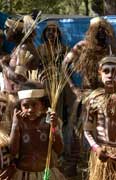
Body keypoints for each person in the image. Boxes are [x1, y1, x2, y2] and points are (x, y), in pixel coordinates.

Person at [62, 16, 116, 176]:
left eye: (103, 30)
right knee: (80, 132)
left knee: (103, 130)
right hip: (86, 95)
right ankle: (72, 165)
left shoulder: (109, 50)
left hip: (104, 96)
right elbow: (65, 65)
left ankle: (101, 163)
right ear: (91, 31)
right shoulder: (82, 47)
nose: (101, 33)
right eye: (97, 30)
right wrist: (73, 87)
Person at [10, 81, 66, 180]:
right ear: (20, 107)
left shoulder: (48, 121)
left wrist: (55, 128)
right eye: (26, 106)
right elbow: (13, 152)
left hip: (46, 175)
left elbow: (59, 149)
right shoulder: (20, 123)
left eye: (34, 105)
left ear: (43, 105)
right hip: (23, 175)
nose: (30, 109)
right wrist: (15, 126)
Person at [84, 56, 116, 180]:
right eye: (106, 71)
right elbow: (87, 130)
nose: (110, 75)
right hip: (103, 154)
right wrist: (96, 148)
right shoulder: (96, 99)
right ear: (100, 73)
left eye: (114, 72)